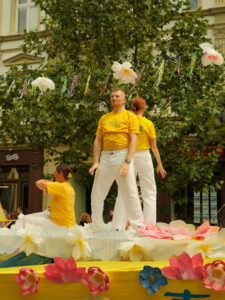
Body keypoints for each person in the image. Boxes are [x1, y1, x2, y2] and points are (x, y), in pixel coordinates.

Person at [89, 88, 144, 231]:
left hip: (122, 156)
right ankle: (97, 225)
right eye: (112, 96)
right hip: (105, 157)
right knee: (97, 193)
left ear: (124, 100)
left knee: (130, 192)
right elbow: (97, 141)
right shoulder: (104, 118)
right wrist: (96, 161)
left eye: (117, 96)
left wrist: (127, 162)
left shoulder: (130, 116)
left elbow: (133, 140)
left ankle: (138, 226)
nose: (114, 98)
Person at [112, 97, 167, 229]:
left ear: (132, 107)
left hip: (127, 156)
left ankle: (118, 226)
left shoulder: (126, 121)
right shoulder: (148, 123)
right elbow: (154, 147)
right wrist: (159, 164)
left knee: (124, 191)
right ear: (144, 107)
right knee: (149, 193)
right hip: (143, 157)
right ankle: (149, 226)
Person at [35, 163, 76, 228]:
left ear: (61, 174)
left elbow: (38, 183)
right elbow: (65, 205)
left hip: (60, 224)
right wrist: (53, 208)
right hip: (70, 223)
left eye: (55, 173)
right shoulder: (70, 188)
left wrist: (48, 181)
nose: (54, 175)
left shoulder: (61, 186)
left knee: (28, 221)